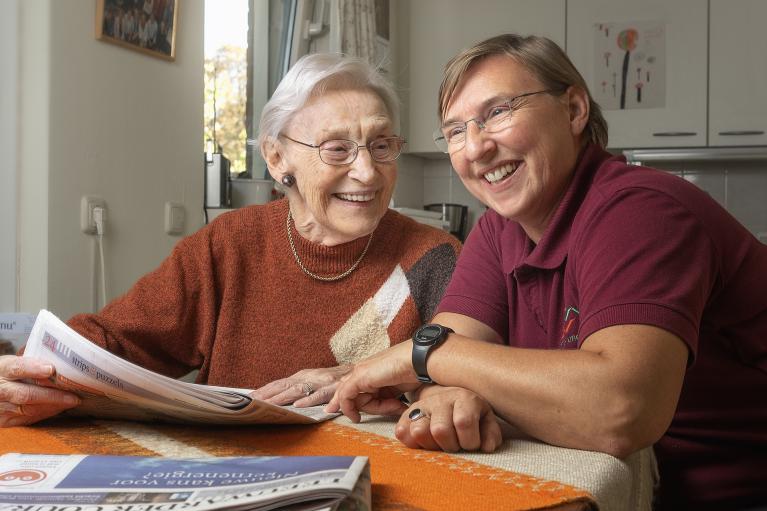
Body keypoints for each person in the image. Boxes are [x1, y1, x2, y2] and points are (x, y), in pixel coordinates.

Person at [328, 34, 767, 510]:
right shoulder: (500, 230)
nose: (475, 148)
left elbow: (619, 411)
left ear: (574, 109)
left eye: (498, 111)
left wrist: (424, 358)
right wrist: (444, 387)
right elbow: (450, 350)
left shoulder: (641, 211)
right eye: (455, 131)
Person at [0, 53, 461, 431]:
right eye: (337, 149)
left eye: (381, 146)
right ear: (277, 156)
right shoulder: (231, 243)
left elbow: (477, 377)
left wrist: (374, 377)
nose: (367, 171)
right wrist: (27, 370)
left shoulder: (433, 257)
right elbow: (115, 340)